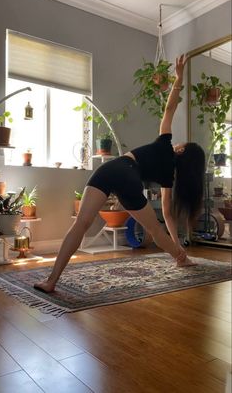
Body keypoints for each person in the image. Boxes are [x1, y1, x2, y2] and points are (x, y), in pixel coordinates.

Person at [34, 54, 205, 293]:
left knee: (80, 225)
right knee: (154, 229)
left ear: (182, 149)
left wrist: (178, 79)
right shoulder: (170, 175)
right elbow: (166, 214)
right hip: (128, 177)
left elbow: (170, 107)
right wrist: (177, 245)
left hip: (109, 168)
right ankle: (181, 258)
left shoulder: (165, 142)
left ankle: (51, 281)